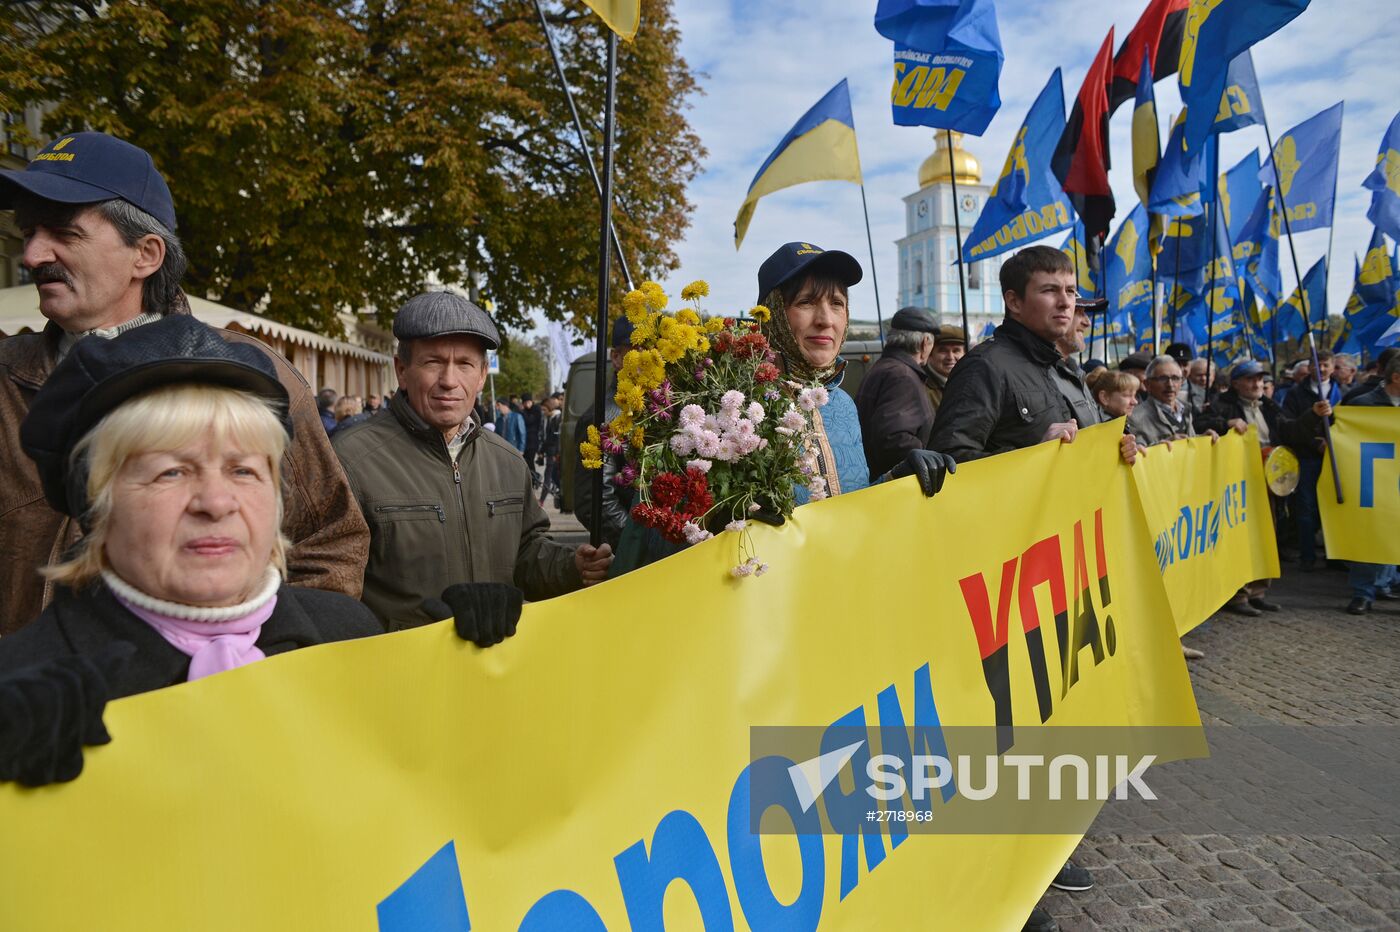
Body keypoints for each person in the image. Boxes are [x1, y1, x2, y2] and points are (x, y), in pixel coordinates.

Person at [0, 130, 370, 634]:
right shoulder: (4, 380)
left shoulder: (254, 375)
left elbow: (332, 545)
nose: (32, 256)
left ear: (146, 255)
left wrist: (256, 661)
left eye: (64, 233)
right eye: (28, 233)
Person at [0, 315, 382, 707]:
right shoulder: (22, 695)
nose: (216, 503)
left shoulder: (350, 635)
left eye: (243, 470)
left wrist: (443, 672)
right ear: (97, 506)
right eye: (171, 472)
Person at [333, 292, 611, 629]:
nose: (449, 380)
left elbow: (526, 554)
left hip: (493, 669)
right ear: (402, 371)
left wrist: (572, 566)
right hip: (399, 673)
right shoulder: (350, 461)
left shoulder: (506, 460)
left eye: (464, 364)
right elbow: (331, 595)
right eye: (433, 361)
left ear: (481, 375)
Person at [926, 244, 1136, 467]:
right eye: (1049, 290)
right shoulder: (984, 366)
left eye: (1071, 291)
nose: (1066, 303)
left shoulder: (1063, 367)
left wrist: (1119, 449)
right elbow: (947, 462)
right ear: (1014, 302)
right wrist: (1035, 456)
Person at [1200, 360, 1329, 616]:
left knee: (1265, 536)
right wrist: (1226, 422)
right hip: (1236, 484)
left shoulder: (1268, 406)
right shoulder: (1223, 404)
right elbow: (1202, 420)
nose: (1257, 384)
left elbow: (1290, 430)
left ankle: (1258, 590)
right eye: (1250, 379)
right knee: (1240, 538)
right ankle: (1237, 593)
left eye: (1259, 379)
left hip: (1268, 483)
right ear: (1236, 383)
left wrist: (1312, 414)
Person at [1340, 354, 1399, 613]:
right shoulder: (1362, 404)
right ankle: (1363, 593)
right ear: (1396, 378)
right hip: (1372, 484)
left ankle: (1385, 585)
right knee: (1369, 537)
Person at [855, 306, 938, 480]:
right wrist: (928, 459)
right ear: (925, 343)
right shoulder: (903, 376)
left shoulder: (885, 367)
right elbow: (893, 440)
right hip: (896, 488)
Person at [575, 317, 635, 551]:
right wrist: (637, 543)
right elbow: (594, 502)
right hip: (634, 561)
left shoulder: (652, 407)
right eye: (636, 352)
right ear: (616, 357)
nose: (647, 359)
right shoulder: (603, 417)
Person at [1281, 350, 1341, 571]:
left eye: (1325, 365)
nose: (1321, 369)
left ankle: (1335, 555)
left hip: (1337, 459)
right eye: (1316, 365)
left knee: (1335, 507)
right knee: (1306, 508)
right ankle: (1307, 556)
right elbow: (1290, 426)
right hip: (1308, 458)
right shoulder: (1296, 394)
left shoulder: (1343, 392)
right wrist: (1316, 443)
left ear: (1333, 368)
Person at [1126, 355, 1218, 447]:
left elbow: (1188, 440)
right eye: (1163, 378)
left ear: (1182, 382)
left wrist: (1203, 438)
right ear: (1147, 384)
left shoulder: (1185, 409)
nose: (1170, 384)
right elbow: (1136, 452)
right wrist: (1162, 446)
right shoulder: (1135, 418)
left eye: (1175, 378)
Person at [923, 325, 966, 418]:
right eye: (943, 351)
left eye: (956, 351)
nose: (950, 357)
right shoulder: (921, 388)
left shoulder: (970, 382)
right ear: (930, 354)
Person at [521, 393, 544, 488]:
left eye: (528, 402)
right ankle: (533, 479)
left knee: (530, 461)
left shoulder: (536, 409)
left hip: (533, 440)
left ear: (531, 401)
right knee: (527, 461)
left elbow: (529, 420)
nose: (526, 404)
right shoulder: (526, 410)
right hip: (527, 441)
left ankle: (536, 479)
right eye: (525, 403)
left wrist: (522, 412)